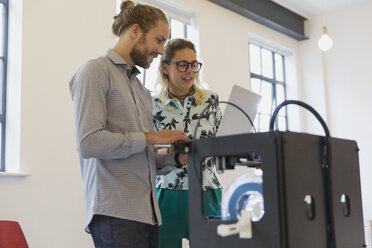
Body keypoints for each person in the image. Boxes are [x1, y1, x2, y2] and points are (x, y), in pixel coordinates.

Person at [69, 1, 189, 248]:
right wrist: (152, 138)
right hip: (116, 212)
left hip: (148, 214)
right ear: (135, 31)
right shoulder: (94, 71)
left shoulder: (141, 91)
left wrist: (173, 160)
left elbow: (142, 156)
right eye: (158, 40)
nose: (161, 50)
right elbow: (88, 142)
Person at [152, 38, 223, 248]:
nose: (190, 71)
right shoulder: (153, 104)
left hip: (207, 191)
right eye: (182, 64)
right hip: (167, 193)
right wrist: (174, 150)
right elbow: (150, 152)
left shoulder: (211, 100)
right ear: (165, 67)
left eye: (194, 65)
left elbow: (221, 139)